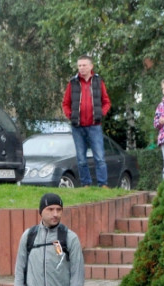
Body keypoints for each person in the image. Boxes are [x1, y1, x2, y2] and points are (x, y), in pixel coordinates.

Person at [61, 55, 111, 187]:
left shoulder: (98, 81)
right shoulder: (72, 83)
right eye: (79, 66)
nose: (81, 68)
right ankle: (86, 184)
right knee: (81, 159)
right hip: (78, 126)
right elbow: (65, 103)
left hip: (94, 126)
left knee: (99, 157)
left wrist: (101, 113)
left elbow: (106, 102)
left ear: (91, 66)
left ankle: (103, 184)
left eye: (84, 65)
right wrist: (70, 115)